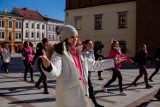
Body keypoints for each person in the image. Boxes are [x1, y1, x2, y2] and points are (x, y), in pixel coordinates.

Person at [40, 25, 122, 107]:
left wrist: (113, 62)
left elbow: (94, 64)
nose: (75, 39)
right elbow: (55, 72)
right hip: (69, 99)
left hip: (82, 93)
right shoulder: (59, 54)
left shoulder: (79, 54)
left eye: (76, 36)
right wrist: (48, 66)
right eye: (72, 37)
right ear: (65, 39)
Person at [82, 39, 104, 107]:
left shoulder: (92, 51)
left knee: (86, 88)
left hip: (89, 72)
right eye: (89, 44)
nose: (91, 45)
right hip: (83, 72)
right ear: (85, 45)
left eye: (92, 44)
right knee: (90, 88)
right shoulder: (82, 53)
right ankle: (96, 104)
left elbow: (100, 48)